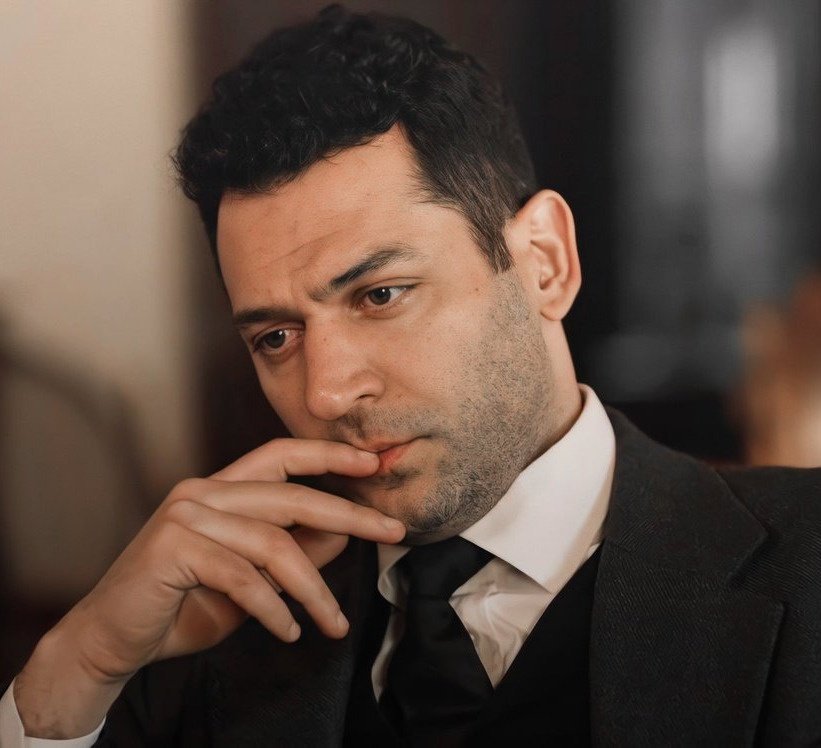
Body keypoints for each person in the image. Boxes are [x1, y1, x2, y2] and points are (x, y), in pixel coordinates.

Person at [3, 6, 820, 745]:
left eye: (380, 295)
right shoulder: (192, 635)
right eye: (277, 337)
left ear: (543, 262)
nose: (326, 393)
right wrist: (78, 666)